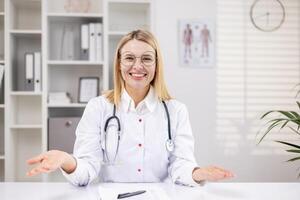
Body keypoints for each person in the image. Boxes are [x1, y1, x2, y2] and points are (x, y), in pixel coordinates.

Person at [27, 30, 233, 187]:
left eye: (146, 58)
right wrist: (67, 160)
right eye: (129, 58)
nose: (138, 66)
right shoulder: (98, 108)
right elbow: (87, 169)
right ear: (118, 64)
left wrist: (199, 174)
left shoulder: (176, 111)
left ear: (156, 65)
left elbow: (181, 165)